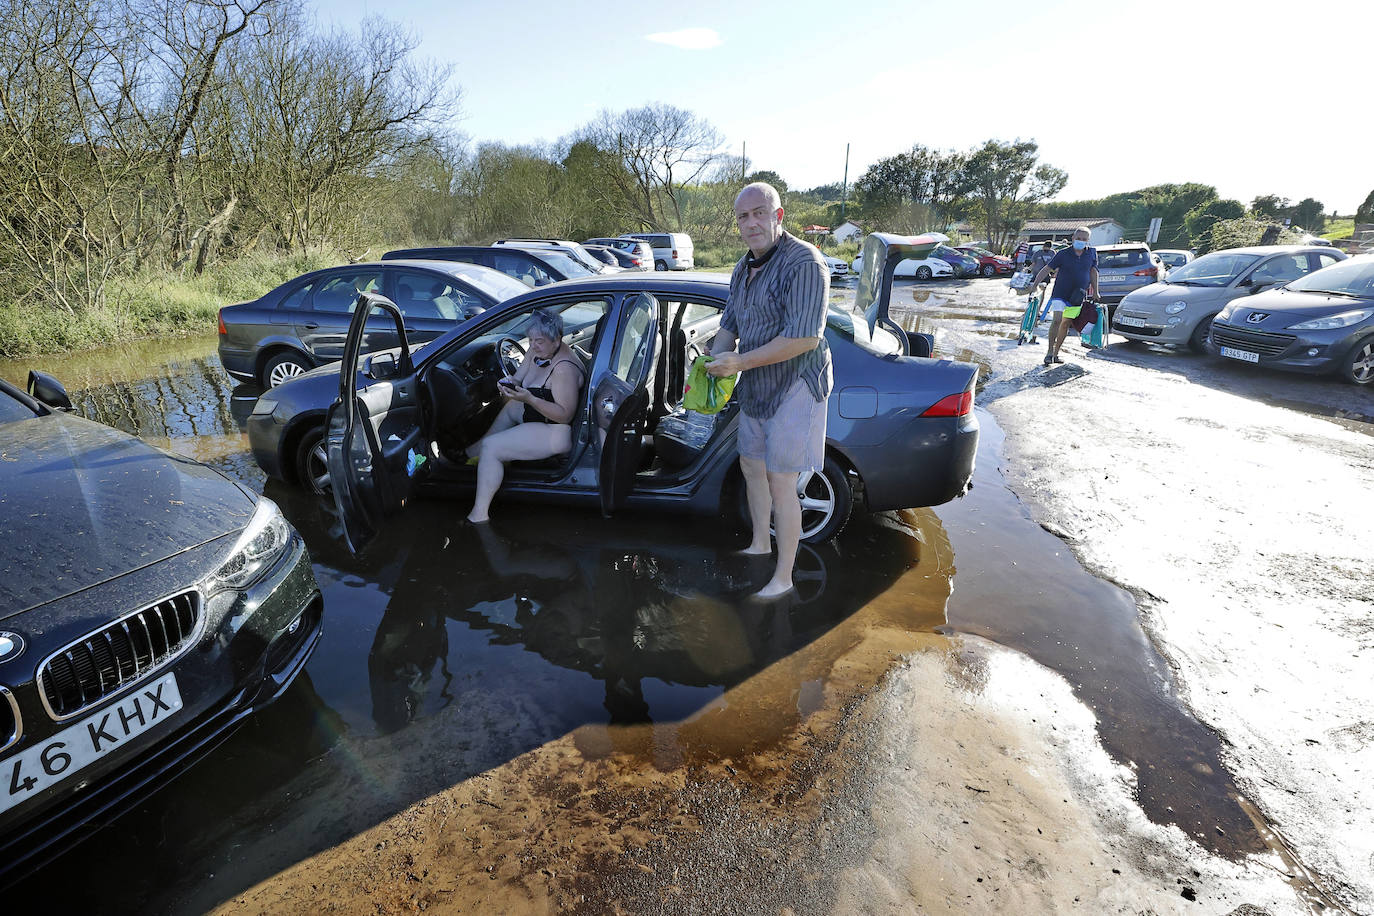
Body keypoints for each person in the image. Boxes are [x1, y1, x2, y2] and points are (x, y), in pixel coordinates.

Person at [706, 181, 831, 600]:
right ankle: (760, 542)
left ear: (778, 215)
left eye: (760, 212)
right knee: (750, 466)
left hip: (798, 382)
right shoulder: (743, 267)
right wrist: (711, 360)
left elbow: (803, 340)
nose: (751, 222)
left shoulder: (805, 263)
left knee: (781, 480)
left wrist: (737, 362)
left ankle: (784, 578)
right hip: (758, 380)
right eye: (743, 216)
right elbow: (729, 326)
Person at [465, 309, 585, 523]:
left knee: (491, 447)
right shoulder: (536, 352)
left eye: (539, 341)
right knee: (510, 407)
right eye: (530, 339)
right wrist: (508, 385)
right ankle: (469, 456)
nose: (533, 344)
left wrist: (529, 399)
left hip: (556, 430)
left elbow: (565, 415)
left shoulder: (563, 369)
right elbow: (518, 378)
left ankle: (479, 515)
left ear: (557, 339)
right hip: (535, 413)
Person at [1032, 227, 1099, 366]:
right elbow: (1047, 269)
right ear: (1073, 239)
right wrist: (1035, 284)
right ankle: (1049, 352)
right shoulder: (1063, 254)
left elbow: (1093, 272)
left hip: (1077, 295)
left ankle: (1056, 353)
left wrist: (1096, 291)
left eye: (1084, 239)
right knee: (1057, 320)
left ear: (1088, 241)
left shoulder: (1092, 253)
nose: (1081, 241)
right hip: (1060, 292)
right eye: (1078, 238)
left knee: (1066, 323)